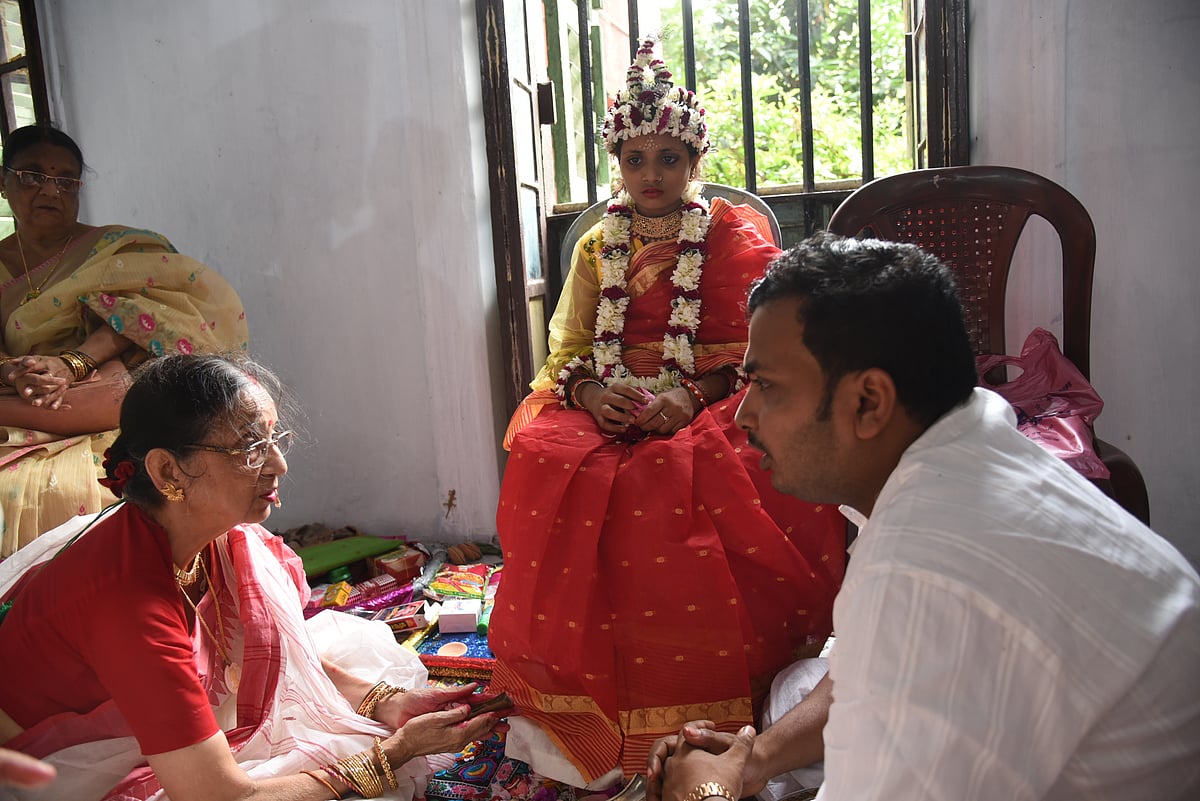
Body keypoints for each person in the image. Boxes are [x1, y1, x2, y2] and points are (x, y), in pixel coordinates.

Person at [646, 233, 1200, 801]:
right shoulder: (961, 453)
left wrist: (702, 796)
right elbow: (863, 668)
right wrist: (752, 758)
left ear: (868, 402)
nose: (744, 413)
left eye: (765, 386)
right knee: (800, 690)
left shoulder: (926, 568)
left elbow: (914, 616)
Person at [489, 39, 845, 787]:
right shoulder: (595, 247)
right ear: (618, 165)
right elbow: (571, 350)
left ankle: (718, 700)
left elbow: (759, 348)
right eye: (636, 160)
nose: (652, 175)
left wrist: (690, 395)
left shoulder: (730, 235)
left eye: (669, 159)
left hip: (710, 392)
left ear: (694, 161)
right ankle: (584, 701)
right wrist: (591, 394)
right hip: (611, 397)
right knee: (551, 455)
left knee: (712, 465)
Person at [0, 354, 506, 801]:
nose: (279, 464)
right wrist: (392, 755)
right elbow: (218, 796)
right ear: (168, 473)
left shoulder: (211, 534)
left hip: (153, 706)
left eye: (274, 438)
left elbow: (262, 649)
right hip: (71, 759)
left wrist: (388, 704)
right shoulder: (130, 608)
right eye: (248, 448)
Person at [0, 124, 249, 555]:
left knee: (122, 446)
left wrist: (71, 364)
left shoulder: (117, 250)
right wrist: (19, 372)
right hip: (25, 398)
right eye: (33, 175)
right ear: (4, 183)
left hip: (101, 389)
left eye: (65, 180)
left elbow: (145, 317)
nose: (50, 190)